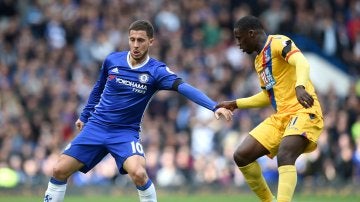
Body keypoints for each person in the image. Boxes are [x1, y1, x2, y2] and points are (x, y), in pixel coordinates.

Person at [43, 20, 232, 202]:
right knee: (59, 169)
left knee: (139, 174)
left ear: (151, 41)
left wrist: (214, 106)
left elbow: (184, 87)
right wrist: (84, 116)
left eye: (140, 40)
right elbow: (98, 87)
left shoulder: (156, 71)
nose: (135, 45)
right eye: (132, 39)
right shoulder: (113, 60)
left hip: (124, 133)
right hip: (96, 127)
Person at [216, 16, 324, 202]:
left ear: (251, 33)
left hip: (303, 110)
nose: (238, 44)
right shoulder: (259, 61)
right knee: (241, 156)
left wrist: (300, 86)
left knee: (285, 154)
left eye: (239, 38)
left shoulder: (278, 42)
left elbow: (302, 63)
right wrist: (236, 103)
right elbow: (268, 96)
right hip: (282, 116)